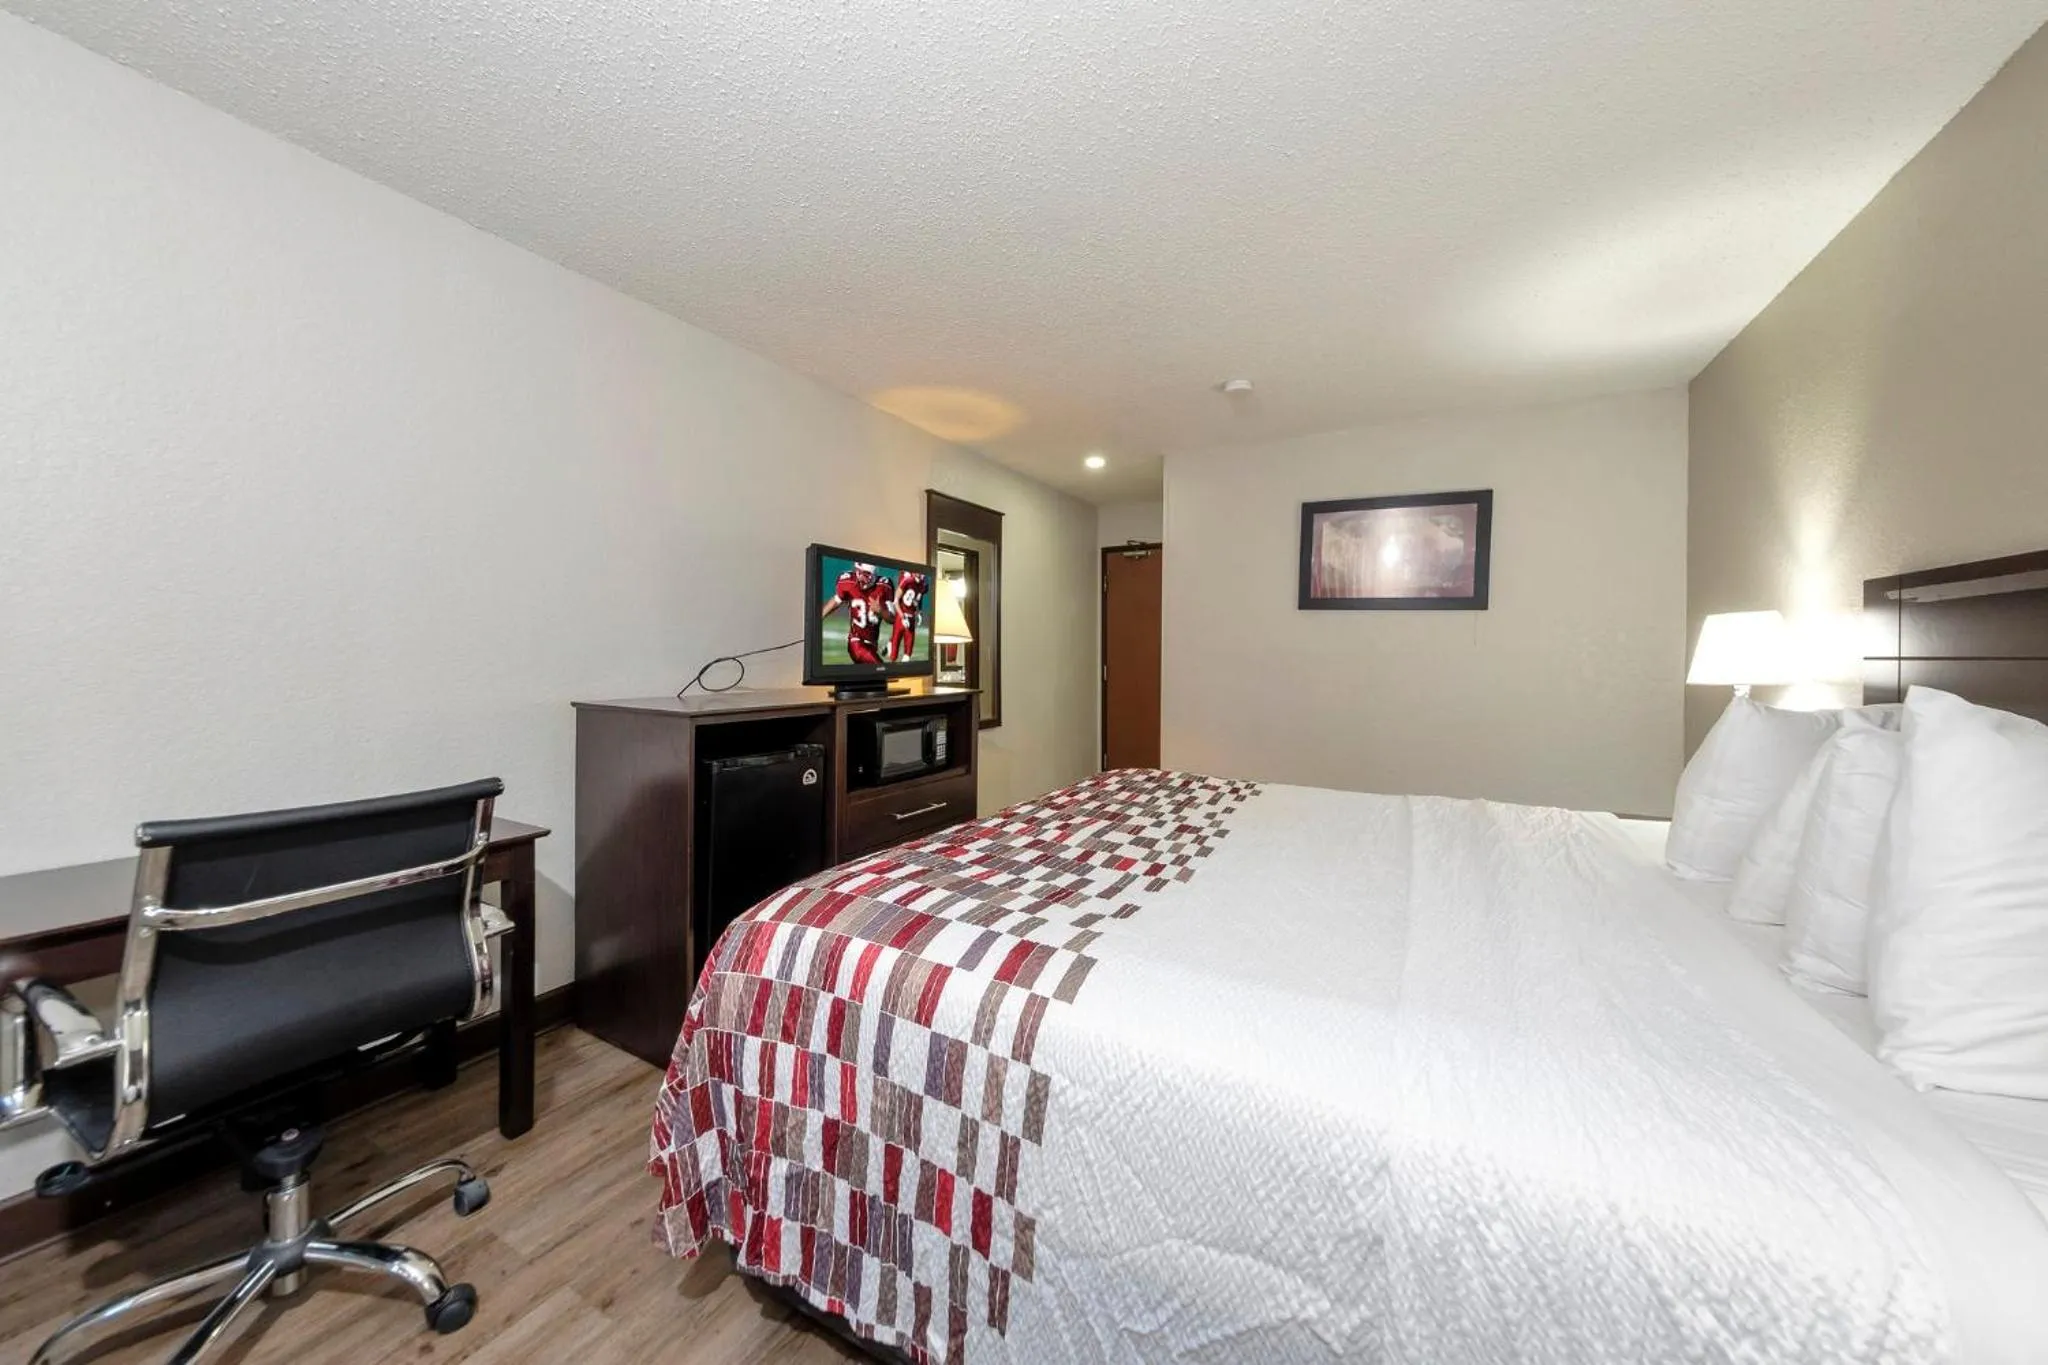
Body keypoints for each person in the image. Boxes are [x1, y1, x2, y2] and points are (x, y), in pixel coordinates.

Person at [820, 561, 893, 665]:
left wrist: (881, 611)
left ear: (874, 574)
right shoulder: (848, 582)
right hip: (856, 643)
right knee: (881, 670)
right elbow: (836, 600)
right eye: (859, 572)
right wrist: (819, 617)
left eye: (866, 574)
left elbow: (892, 619)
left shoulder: (884, 586)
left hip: (872, 645)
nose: (861, 577)